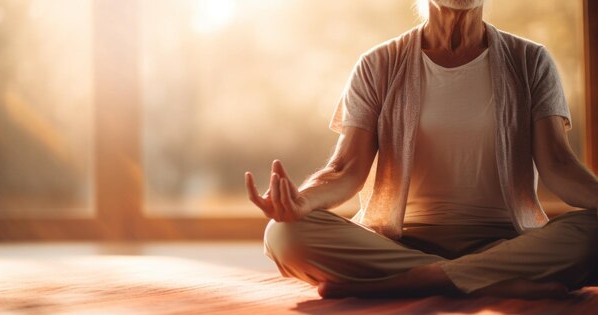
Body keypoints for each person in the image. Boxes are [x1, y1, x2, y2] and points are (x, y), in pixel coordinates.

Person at [245, 0, 598, 299]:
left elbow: (560, 165)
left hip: (506, 242)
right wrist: (300, 201)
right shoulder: (378, 64)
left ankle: (411, 283)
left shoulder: (531, 60)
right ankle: (492, 282)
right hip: (400, 245)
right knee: (284, 233)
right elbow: (345, 169)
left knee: (591, 232)